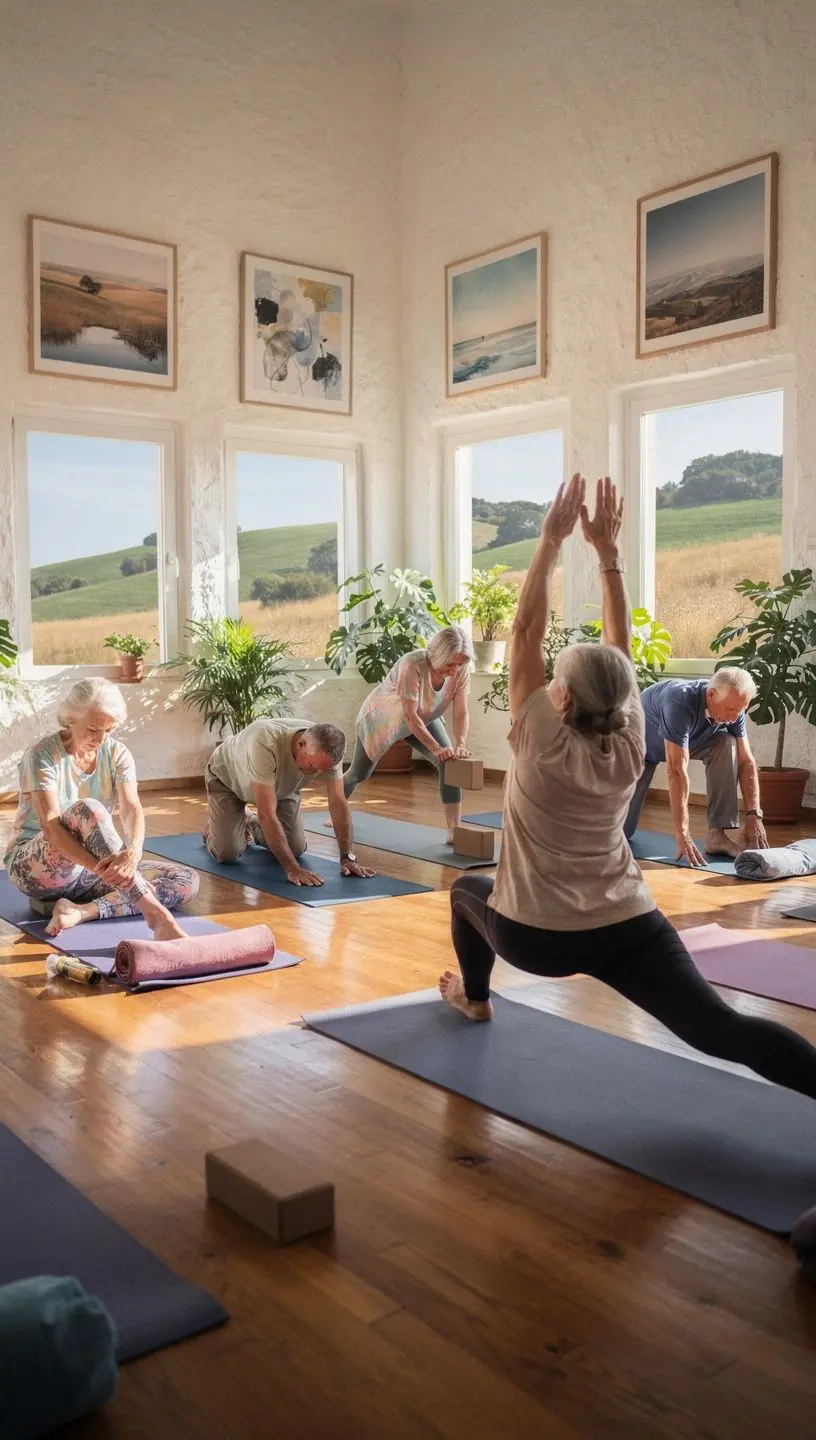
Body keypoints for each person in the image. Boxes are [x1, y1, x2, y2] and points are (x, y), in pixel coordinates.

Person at [438, 475, 816, 1107]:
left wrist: (550, 540)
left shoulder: (537, 736)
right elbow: (619, 647)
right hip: (627, 924)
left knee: (464, 893)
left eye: (555, 681)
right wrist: (607, 554)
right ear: (621, 698)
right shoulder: (631, 727)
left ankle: (475, 1000)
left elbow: (526, 627)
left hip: (538, 936)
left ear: (559, 698)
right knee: (723, 1028)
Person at [4, 678, 199, 940]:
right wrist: (105, 870)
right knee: (89, 808)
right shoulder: (41, 753)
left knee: (185, 880)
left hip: (92, 871)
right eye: (94, 729)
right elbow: (50, 828)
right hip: (38, 868)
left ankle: (80, 912)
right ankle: (155, 914)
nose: (101, 738)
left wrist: (132, 852)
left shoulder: (117, 753)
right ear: (71, 718)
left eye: (109, 729)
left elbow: (132, 808)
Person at [204, 717, 375, 888]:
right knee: (227, 853)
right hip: (227, 780)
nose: (315, 773)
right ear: (300, 745)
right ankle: (213, 829)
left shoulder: (328, 751)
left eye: (321, 770)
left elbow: (338, 802)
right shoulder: (264, 741)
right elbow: (267, 815)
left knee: (295, 849)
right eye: (311, 766)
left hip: (281, 788)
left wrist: (347, 857)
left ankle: (249, 821)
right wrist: (293, 869)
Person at [343, 625, 474, 842]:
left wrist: (459, 744)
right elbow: (409, 716)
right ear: (437, 654)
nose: (454, 670)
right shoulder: (412, 664)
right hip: (384, 718)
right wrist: (437, 748)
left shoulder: (460, 671)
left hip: (424, 716)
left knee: (450, 763)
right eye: (450, 664)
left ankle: (454, 830)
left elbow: (461, 711)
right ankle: (335, 806)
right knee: (359, 773)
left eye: (460, 664)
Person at [624, 669, 768, 866]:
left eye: (740, 710)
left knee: (726, 743)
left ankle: (717, 835)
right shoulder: (679, 701)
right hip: (635, 748)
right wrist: (682, 832)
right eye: (731, 710)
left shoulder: (732, 708)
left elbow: (746, 761)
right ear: (711, 695)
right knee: (619, 833)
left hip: (685, 741)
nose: (735, 718)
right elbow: (676, 770)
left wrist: (754, 815)